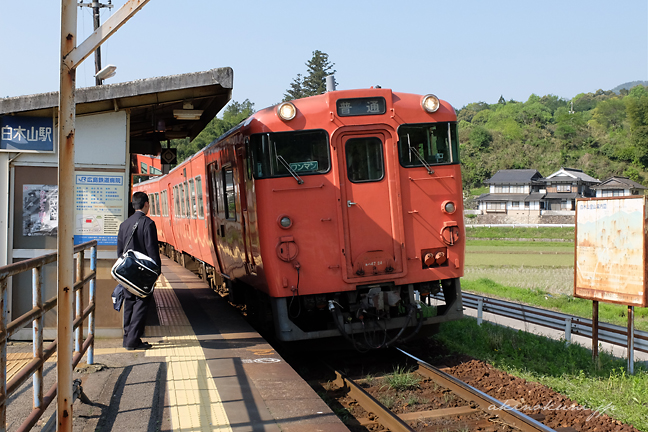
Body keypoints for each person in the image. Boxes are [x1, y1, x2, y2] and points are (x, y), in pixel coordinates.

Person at [117, 191, 161, 350]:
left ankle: (128, 338)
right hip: (143, 274)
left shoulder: (124, 224)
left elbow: (120, 252)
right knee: (141, 304)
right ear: (146, 204)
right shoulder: (148, 224)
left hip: (127, 273)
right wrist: (156, 272)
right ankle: (132, 341)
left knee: (129, 303)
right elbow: (152, 251)